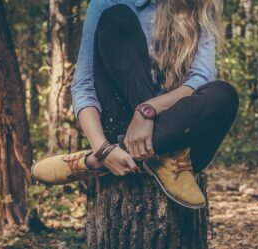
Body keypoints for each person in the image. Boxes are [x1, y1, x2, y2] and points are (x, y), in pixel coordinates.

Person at [32, 0, 239, 209]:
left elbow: (201, 78)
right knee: (117, 18)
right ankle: (148, 155)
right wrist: (101, 146)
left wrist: (147, 111)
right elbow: (84, 85)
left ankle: (92, 163)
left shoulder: (199, 4)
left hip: (178, 137)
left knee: (224, 95)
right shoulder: (105, 2)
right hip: (123, 122)